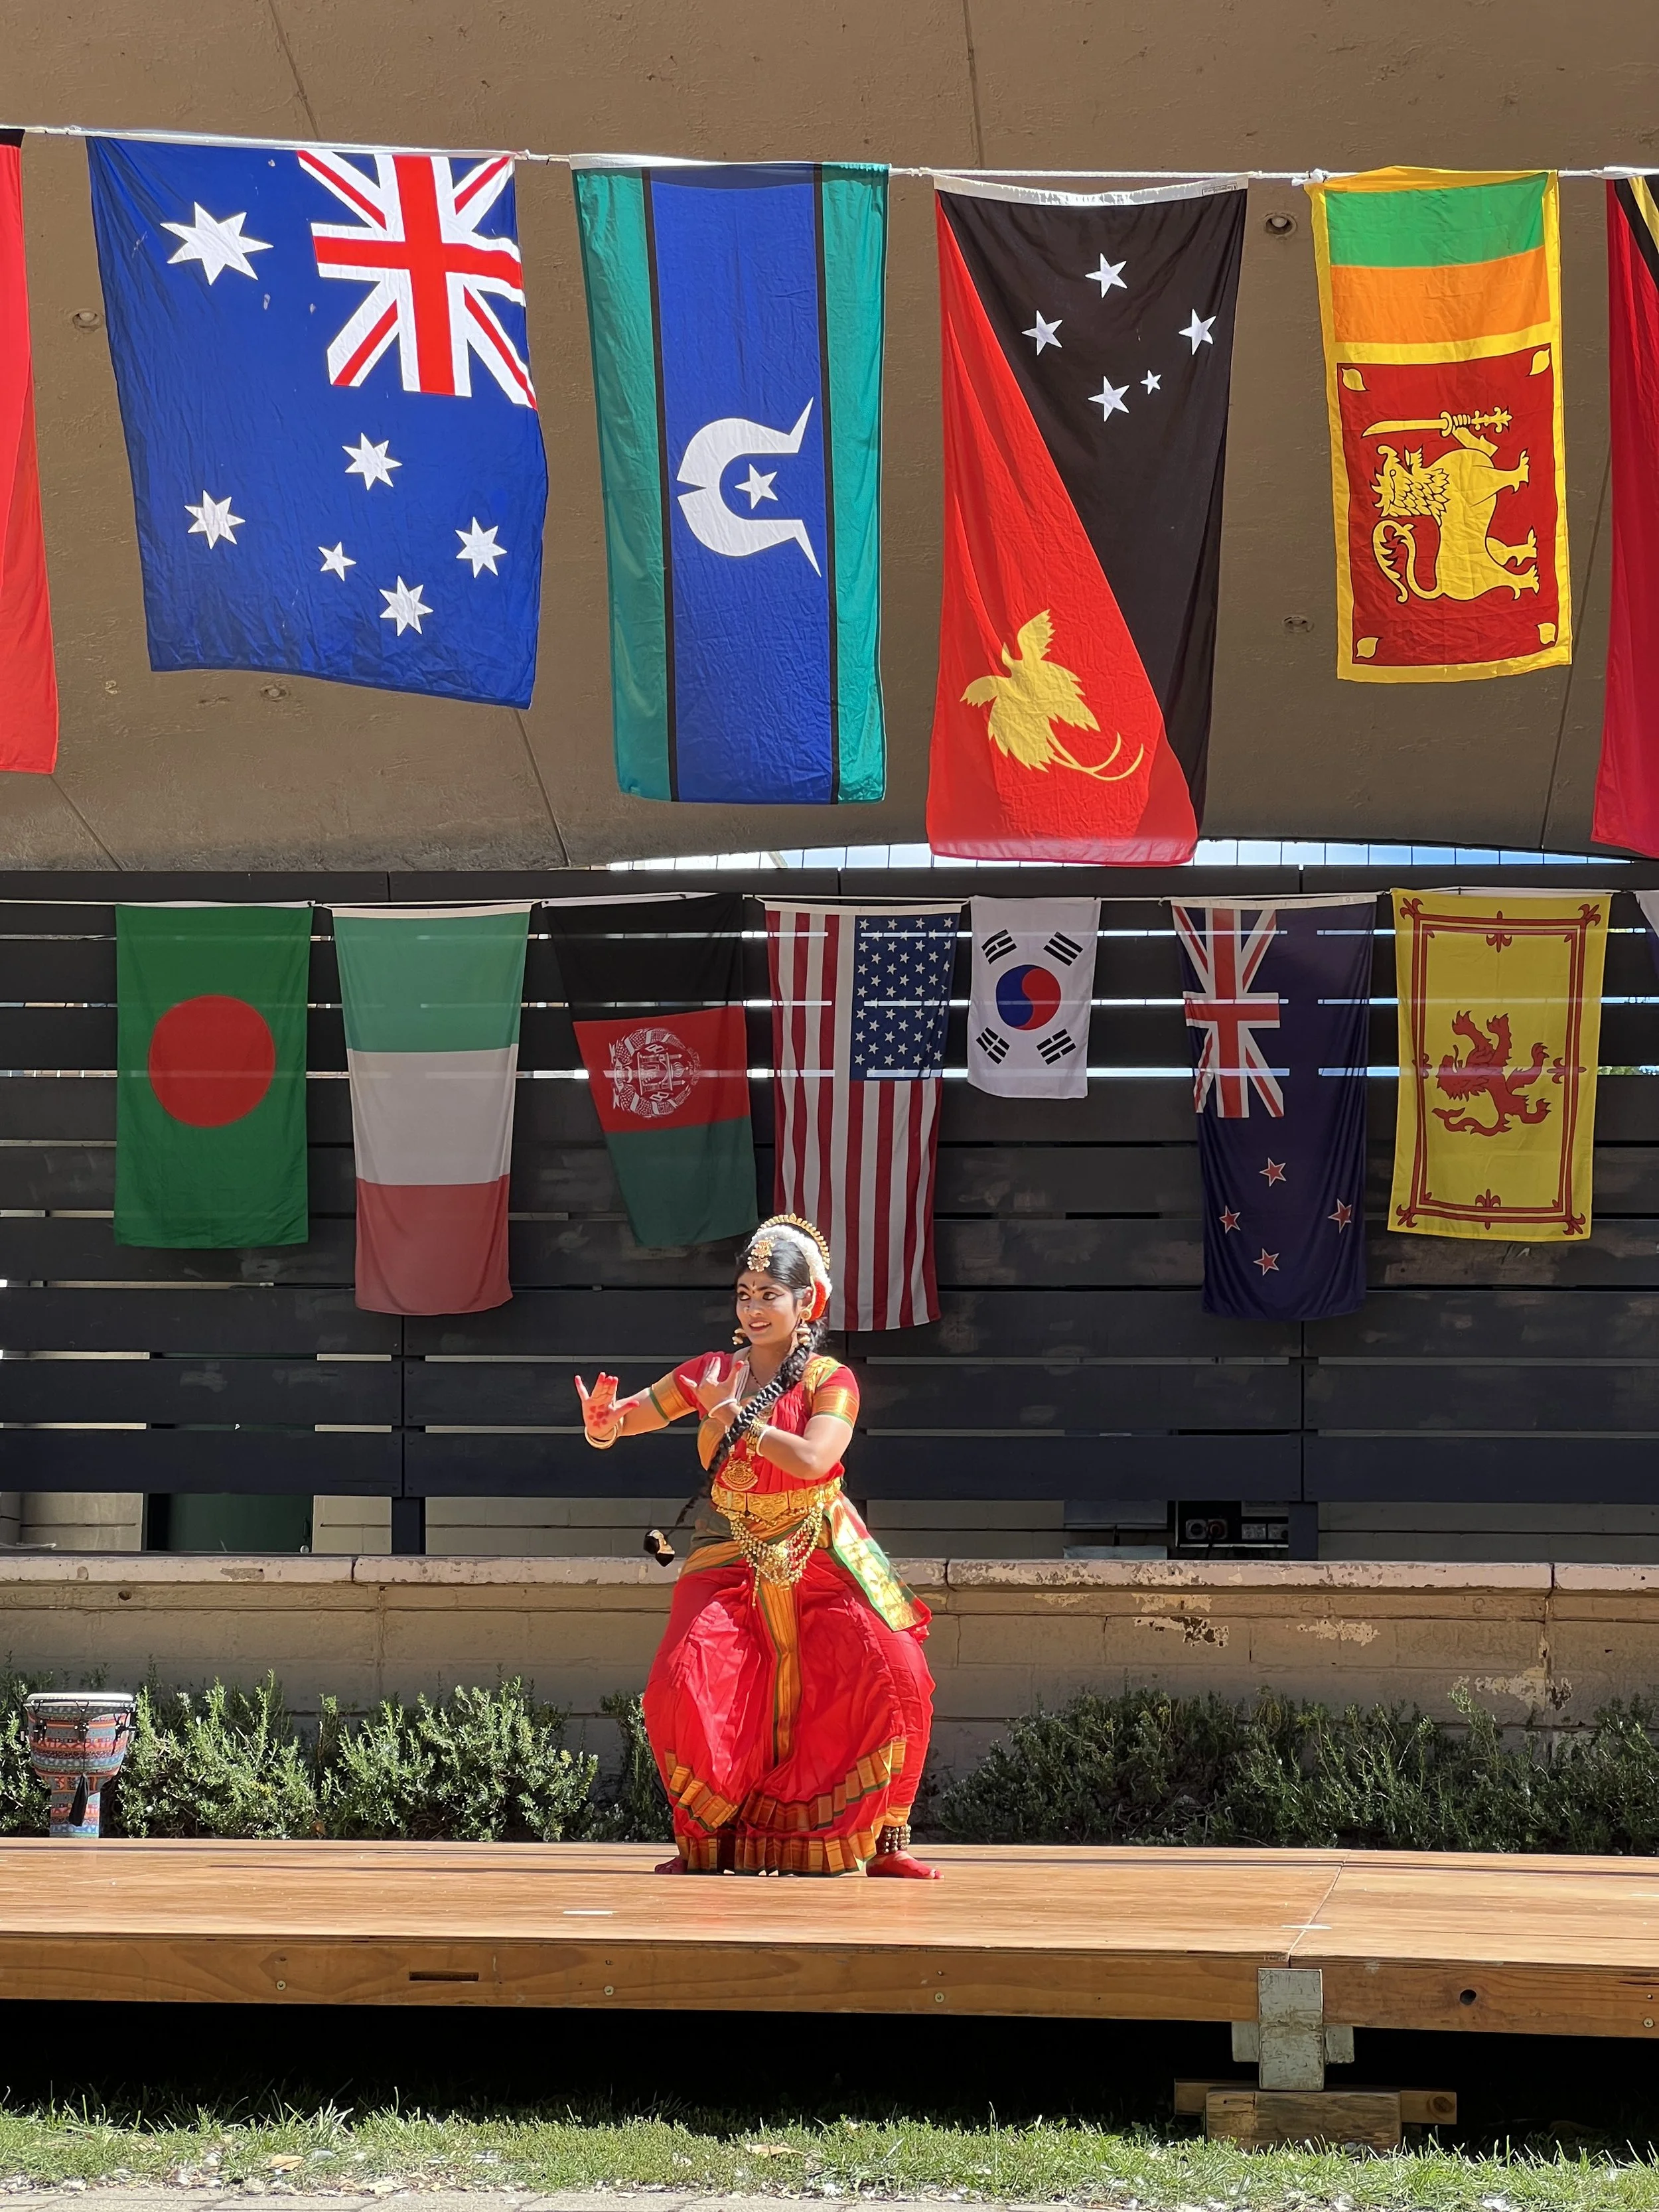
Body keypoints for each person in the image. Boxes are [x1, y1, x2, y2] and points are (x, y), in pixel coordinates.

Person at [574, 1215, 938, 1878]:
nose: (753, 1306)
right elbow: (630, 1418)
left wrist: (728, 1419)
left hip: (820, 1547)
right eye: (745, 1292)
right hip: (729, 1549)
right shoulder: (710, 1371)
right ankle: (707, 1843)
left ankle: (887, 1844)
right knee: (682, 1683)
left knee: (894, 1675)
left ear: (809, 1304)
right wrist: (602, 1426)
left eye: (769, 1293)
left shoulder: (832, 1381)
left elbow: (813, 1458)